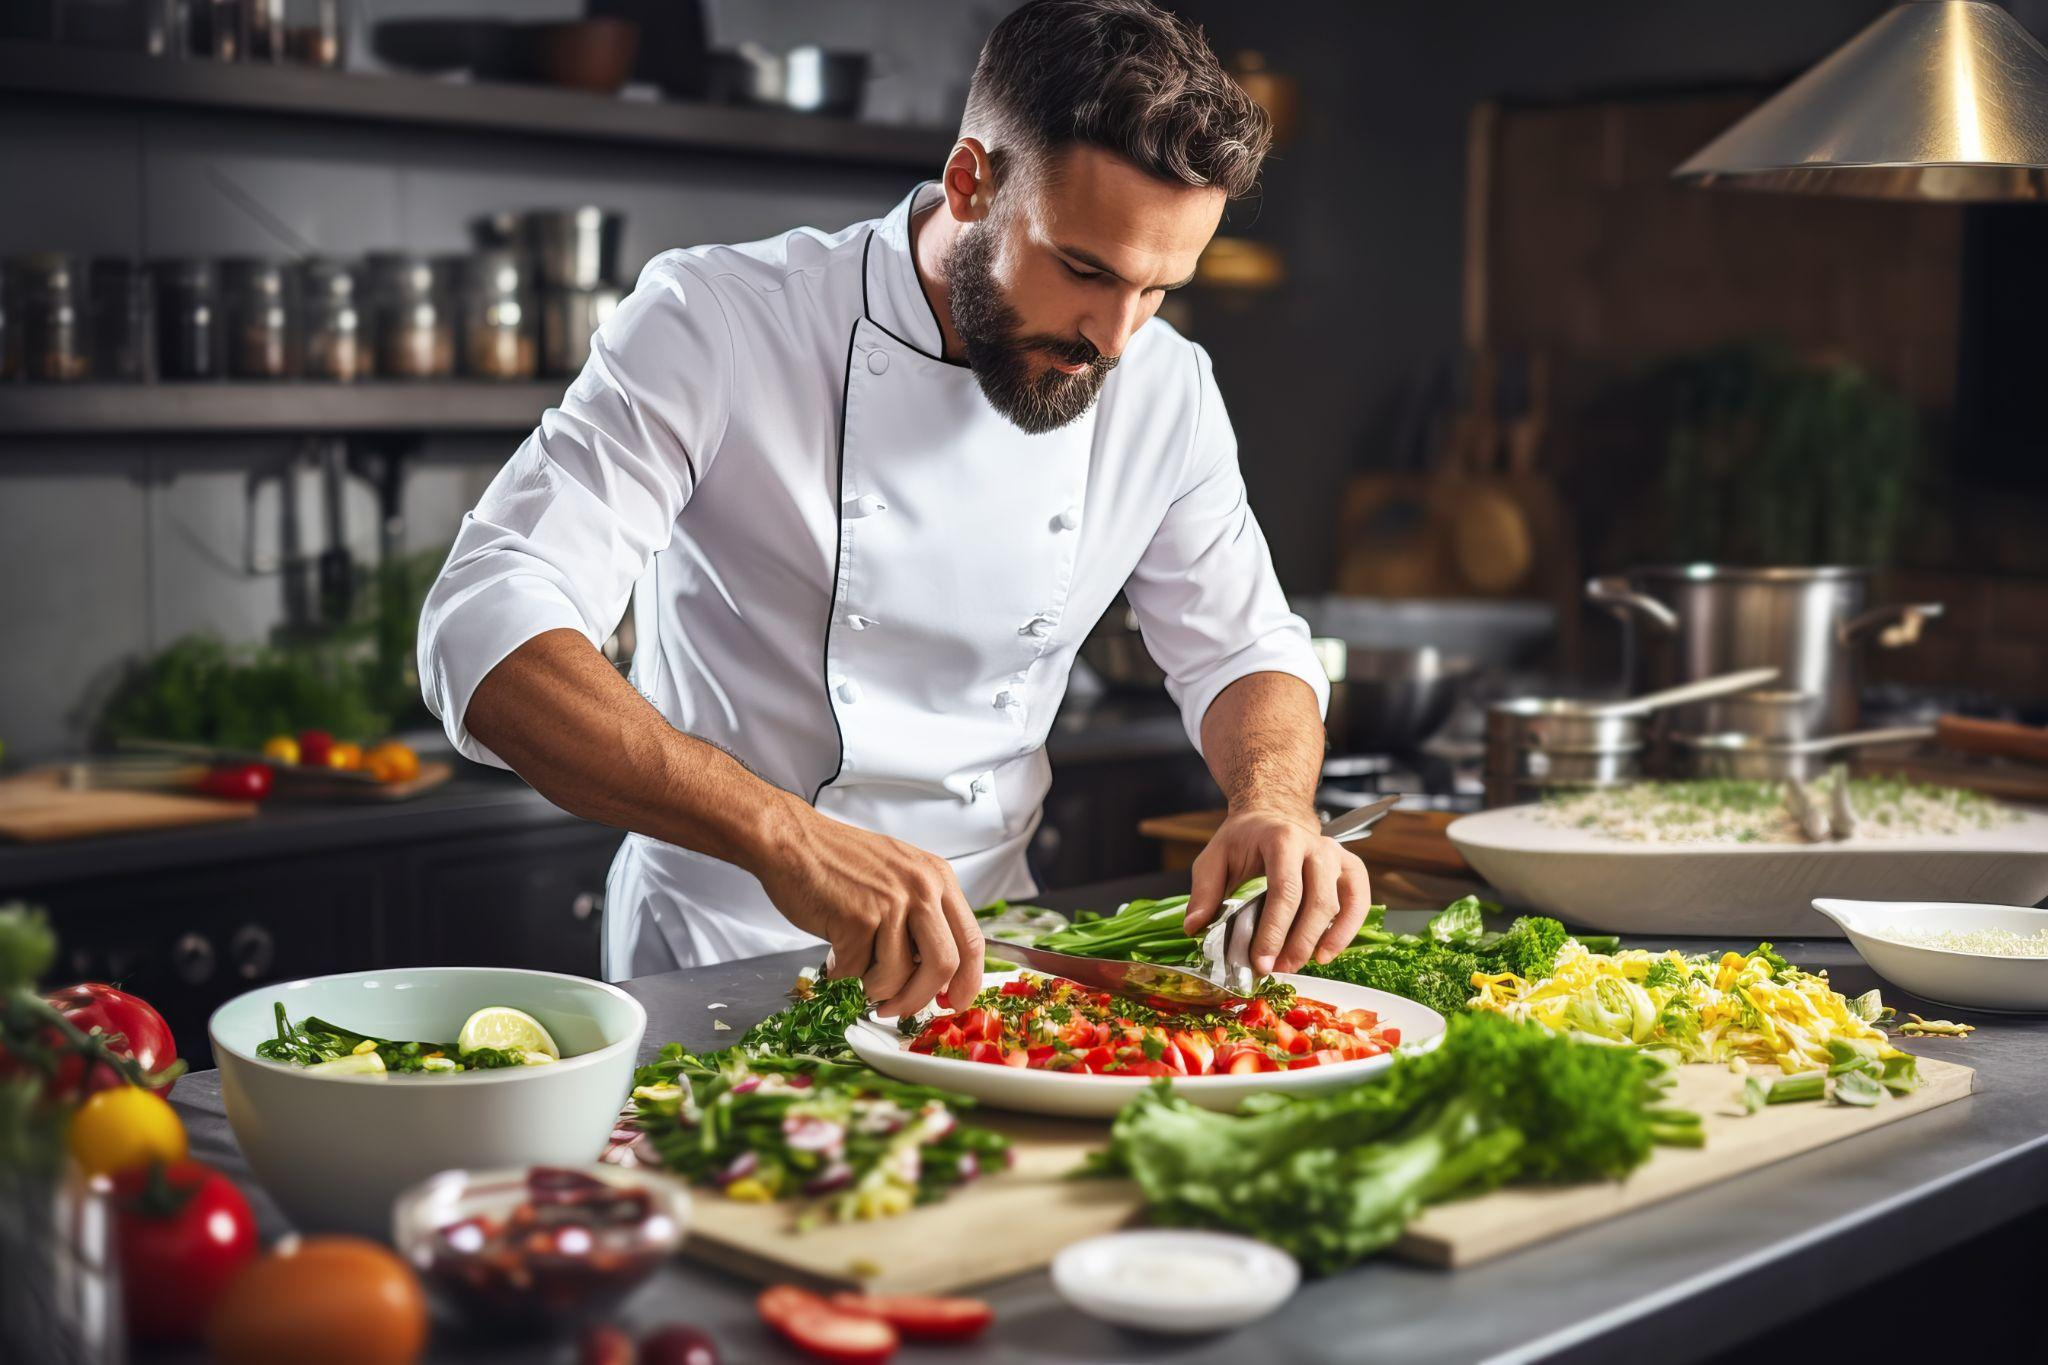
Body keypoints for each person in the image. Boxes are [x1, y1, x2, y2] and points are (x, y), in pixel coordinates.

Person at [417, 0, 1371, 1011]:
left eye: (1158, 289)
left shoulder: (1163, 385)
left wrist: (1274, 804)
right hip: (719, 956)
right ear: (969, 180)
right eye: (1084, 269)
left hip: (1000, 965)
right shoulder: (719, 323)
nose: (1114, 336)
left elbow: (1244, 649)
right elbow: (486, 620)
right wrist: (784, 835)